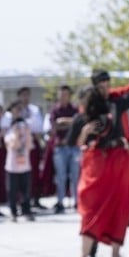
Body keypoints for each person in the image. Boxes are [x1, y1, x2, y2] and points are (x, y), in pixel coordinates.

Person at [68, 49, 129, 257]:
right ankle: (84, 255)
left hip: (120, 161)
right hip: (97, 163)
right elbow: (74, 142)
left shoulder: (116, 103)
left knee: (121, 204)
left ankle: (117, 253)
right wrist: (85, 132)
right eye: (100, 86)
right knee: (91, 206)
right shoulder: (84, 113)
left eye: (107, 85)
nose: (105, 90)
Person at [49, 85, 79, 213]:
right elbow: (54, 127)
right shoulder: (55, 110)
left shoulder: (75, 109)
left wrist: (64, 121)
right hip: (60, 148)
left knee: (75, 176)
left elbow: (77, 124)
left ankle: (77, 202)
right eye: (61, 95)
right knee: (61, 177)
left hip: (74, 147)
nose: (63, 97)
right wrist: (67, 123)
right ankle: (60, 202)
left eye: (66, 94)